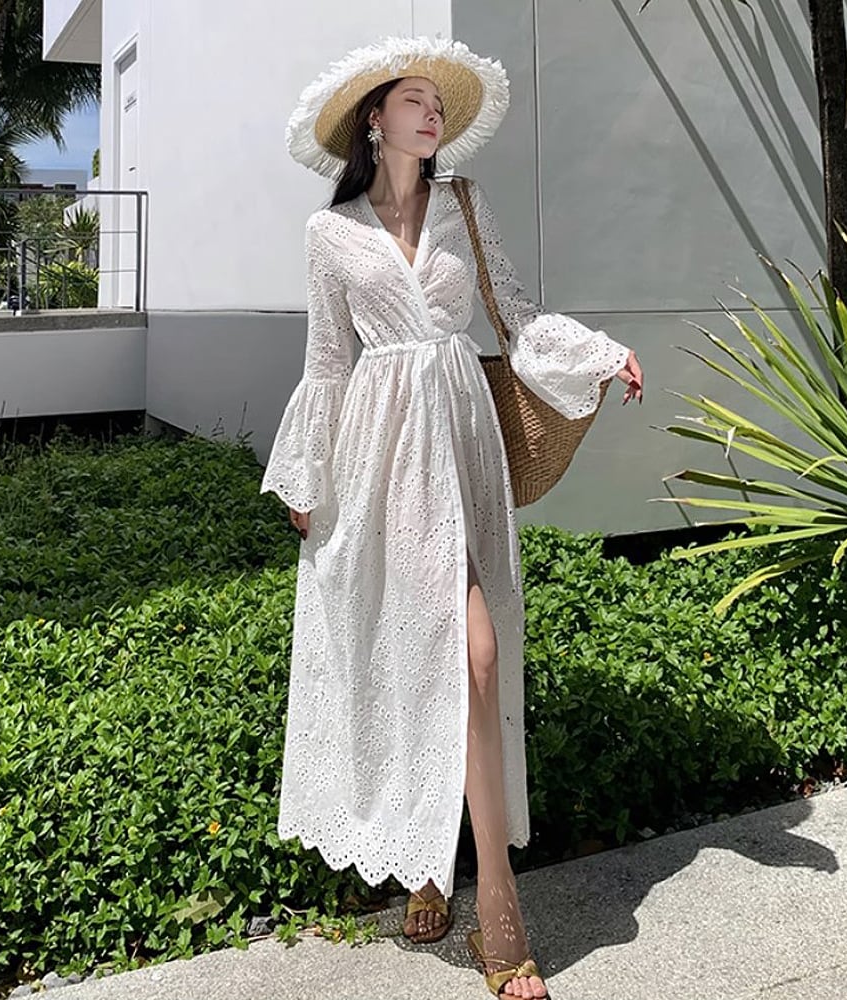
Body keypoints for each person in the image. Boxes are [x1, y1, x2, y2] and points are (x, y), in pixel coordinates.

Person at [260, 36, 644, 999]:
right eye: (415, 100)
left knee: (475, 655)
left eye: (439, 103)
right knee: (411, 654)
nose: (433, 114)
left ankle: (496, 901)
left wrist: (599, 354)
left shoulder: (465, 204)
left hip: (461, 447)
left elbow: (515, 313)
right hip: (379, 461)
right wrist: (308, 476)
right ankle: (426, 864)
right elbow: (328, 362)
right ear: (375, 119)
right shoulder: (330, 234)